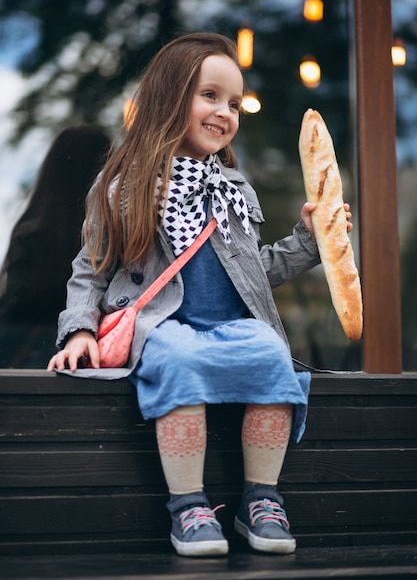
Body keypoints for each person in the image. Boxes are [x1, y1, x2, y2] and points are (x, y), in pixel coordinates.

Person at [47, 33, 352, 557]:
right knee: (181, 359)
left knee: (272, 357)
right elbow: (90, 269)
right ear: (169, 98)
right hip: (164, 327)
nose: (225, 112)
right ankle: (187, 505)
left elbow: (256, 271)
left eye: (234, 103)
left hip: (230, 326)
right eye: (209, 96)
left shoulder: (235, 188)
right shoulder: (123, 185)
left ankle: (261, 499)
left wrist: (311, 240)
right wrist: (78, 329)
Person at [0, 125, 111, 368]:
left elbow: (14, 309)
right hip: (95, 358)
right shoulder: (108, 233)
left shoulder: (33, 231)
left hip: (32, 362)